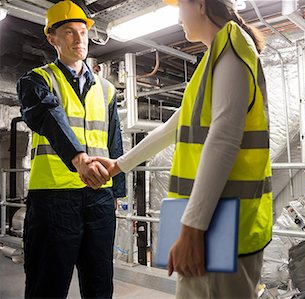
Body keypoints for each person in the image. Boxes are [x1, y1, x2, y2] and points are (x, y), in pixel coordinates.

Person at [95, 0, 272, 297]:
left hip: (221, 225)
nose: (178, 18)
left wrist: (192, 229)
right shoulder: (215, 57)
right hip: (213, 220)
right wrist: (119, 165)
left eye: (180, 6)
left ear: (200, 5)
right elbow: (174, 127)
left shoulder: (231, 49)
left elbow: (224, 138)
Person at [16, 1, 126, 298]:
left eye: (82, 32)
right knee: (47, 284)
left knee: (100, 282)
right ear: (52, 38)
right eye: (69, 32)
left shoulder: (107, 89)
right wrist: (79, 160)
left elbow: (114, 139)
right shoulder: (37, 81)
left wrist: (117, 190)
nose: (79, 40)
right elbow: (50, 117)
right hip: (54, 198)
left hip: (99, 197)